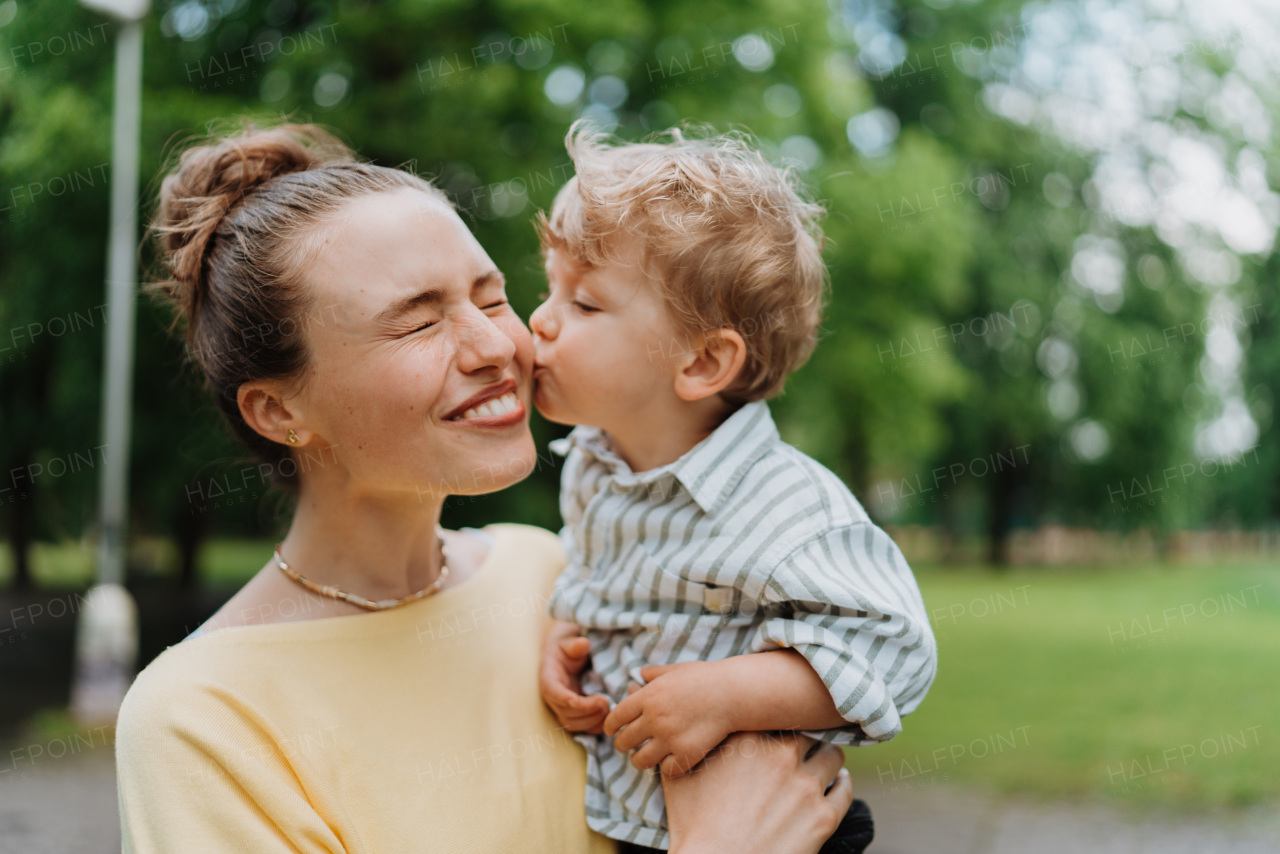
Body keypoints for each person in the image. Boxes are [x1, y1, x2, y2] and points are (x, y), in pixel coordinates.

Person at [113, 122, 856, 854]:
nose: (501, 345)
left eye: (492, 297)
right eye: (418, 323)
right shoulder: (201, 720)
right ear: (281, 410)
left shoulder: (550, 575)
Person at [530, 124, 938, 853]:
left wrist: (725, 694)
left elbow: (898, 651)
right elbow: (595, 562)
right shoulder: (595, 464)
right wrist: (569, 626)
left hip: (783, 826)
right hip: (654, 827)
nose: (540, 321)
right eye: (549, 289)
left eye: (585, 305)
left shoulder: (786, 506)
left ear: (702, 361)